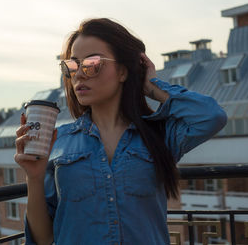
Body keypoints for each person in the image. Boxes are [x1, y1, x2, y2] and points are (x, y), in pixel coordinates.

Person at [15, 18, 227, 245]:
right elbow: (43, 239)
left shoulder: (158, 135)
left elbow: (211, 116)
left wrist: (153, 86)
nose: (79, 75)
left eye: (92, 63)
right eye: (73, 66)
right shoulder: (59, 141)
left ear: (123, 72)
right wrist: (34, 178)